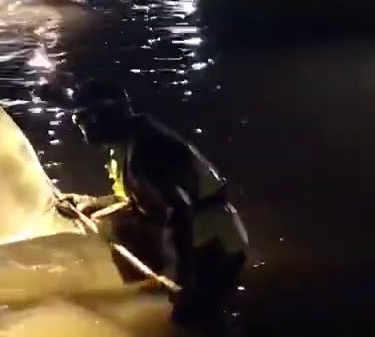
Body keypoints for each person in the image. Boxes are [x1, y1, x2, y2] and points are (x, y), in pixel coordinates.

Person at [61, 80, 248, 332]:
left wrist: (180, 275)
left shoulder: (148, 151)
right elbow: (135, 199)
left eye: (80, 119)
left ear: (100, 117)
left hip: (213, 242)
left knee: (193, 320)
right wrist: (89, 203)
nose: (80, 128)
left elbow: (180, 212)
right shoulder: (128, 143)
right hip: (202, 238)